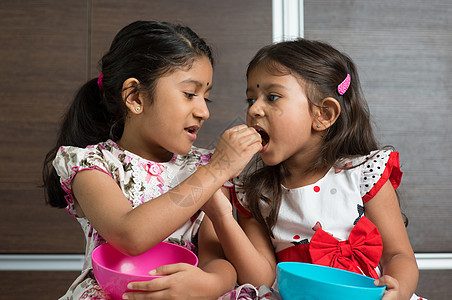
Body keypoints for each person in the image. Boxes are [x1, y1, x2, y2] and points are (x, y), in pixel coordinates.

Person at [42, 20, 262, 300]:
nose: (203, 111)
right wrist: (217, 170)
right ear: (135, 97)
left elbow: (216, 257)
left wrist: (210, 283)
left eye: (206, 97)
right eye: (190, 94)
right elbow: (131, 235)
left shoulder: (202, 168)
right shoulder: (93, 164)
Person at [204, 38, 425, 300]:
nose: (254, 109)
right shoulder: (255, 194)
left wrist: (398, 290)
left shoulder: (363, 174)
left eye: (272, 97)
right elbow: (262, 279)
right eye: (251, 99)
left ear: (324, 115)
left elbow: (398, 255)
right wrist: (221, 217)